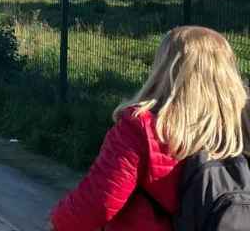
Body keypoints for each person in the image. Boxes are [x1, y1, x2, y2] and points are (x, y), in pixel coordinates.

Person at [50, 26, 249, 231]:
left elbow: (95, 206)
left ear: (164, 69)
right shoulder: (239, 130)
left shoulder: (141, 129)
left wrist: (56, 221)